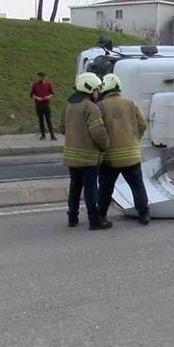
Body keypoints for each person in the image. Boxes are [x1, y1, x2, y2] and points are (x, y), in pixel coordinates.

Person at [59, 72, 112, 230]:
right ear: (89, 89)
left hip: (71, 155)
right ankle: (94, 221)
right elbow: (98, 133)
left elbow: (61, 128)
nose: (97, 93)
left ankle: (72, 218)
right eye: (96, 90)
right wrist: (106, 145)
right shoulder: (91, 107)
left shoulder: (68, 105)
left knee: (75, 187)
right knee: (90, 189)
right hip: (88, 157)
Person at [96, 73, 150, 225]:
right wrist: (134, 140)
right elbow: (143, 124)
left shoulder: (100, 106)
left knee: (106, 188)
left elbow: (98, 130)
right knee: (137, 185)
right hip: (132, 154)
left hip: (110, 157)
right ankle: (144, 214)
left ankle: (101, 215)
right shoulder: (131, 103)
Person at [30, 72, 57, 140]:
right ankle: (43, 135)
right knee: (41, 120)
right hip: (38, 105)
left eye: (40, 77)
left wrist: (48, 97)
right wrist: (36, 97)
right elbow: (31, 95)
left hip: (46, 105)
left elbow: (52, 94)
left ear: (44, 77)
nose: (39, 78)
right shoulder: (35, 85)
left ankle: (52, 135)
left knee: (48, 120)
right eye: (38, 77)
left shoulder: (48, 84)